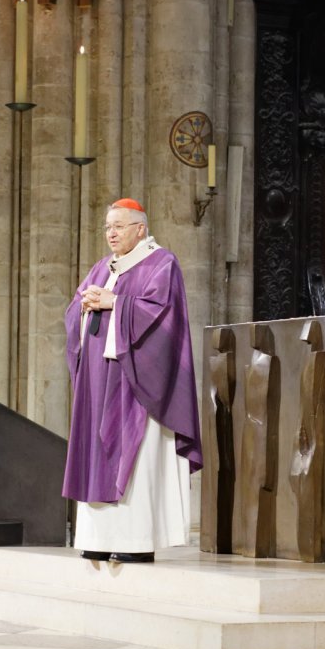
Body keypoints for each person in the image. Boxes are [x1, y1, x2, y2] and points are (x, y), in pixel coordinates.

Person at [63, 198, 203, 563]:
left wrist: (116, 302)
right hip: (99, 382)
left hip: (136, 384)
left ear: (140, 229)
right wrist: (85, 304)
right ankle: (98, 537)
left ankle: (134, 541)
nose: (111, 233)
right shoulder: (100, 268)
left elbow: (163, 317)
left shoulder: (161, 263)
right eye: (108, 226)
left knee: (135, 458)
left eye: (119, 226)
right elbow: (75, 313)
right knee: (97, 455)